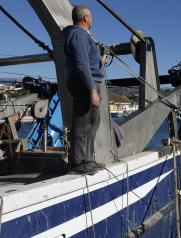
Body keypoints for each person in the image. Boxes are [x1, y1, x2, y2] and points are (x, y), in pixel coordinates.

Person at [63, 5, 109, 174]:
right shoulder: (78, 34)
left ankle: (87, 160)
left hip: (88, 80)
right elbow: (81, 64)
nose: (92, 19)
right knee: (82, 122)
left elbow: (86, 61)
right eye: (91, 16)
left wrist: (100, 61)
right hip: (84, 83)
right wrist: (92, 90)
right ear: (85, 18)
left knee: (92, 123)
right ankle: (77, 163)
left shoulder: (79, 35)